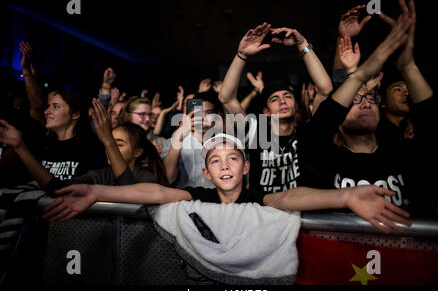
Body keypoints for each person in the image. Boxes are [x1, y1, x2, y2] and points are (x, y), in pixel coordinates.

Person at [42, 133, 411, 234]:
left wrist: (346, 196)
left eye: (232, 158)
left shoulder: (258, 195)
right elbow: (155, 191)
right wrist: (95, 191)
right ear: (206, 173)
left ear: (245, 166)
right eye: (214, 160)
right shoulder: (199, 194)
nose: (224, 165)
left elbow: (289, 197)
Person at [304, 0, 438, 217]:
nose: (365, 101)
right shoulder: (325, 159)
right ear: (339, 117)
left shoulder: (403, 154)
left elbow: (436, 128)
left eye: (371, 98)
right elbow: (322, 121)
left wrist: (408, 66)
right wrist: (356, 73)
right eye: (354, 100)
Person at [218, 22, 333, 193]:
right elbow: (226, 98)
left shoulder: (306, 133)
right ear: (266, 112)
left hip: (299, 215)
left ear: (295, 105)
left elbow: (325, 89)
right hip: (262, 215)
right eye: (275, 99)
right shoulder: (258, 132)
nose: (282, 102)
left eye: (287, 96)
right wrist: (241, 55)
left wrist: (302, 45)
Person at [0, 90, 107, 184]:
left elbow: (65, 189)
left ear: (75, 114)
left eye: (55, 106)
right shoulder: (42, 145)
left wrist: (19, 146)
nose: (46, 112)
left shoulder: (92, 149)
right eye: (48, 106)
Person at [162, 91, 223, 188]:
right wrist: (179, 137)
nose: (203, 117)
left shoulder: (226, 142)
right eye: (198, 112)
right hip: (185, 200)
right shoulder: (174, 141)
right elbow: (168, 178)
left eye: (209, 113)